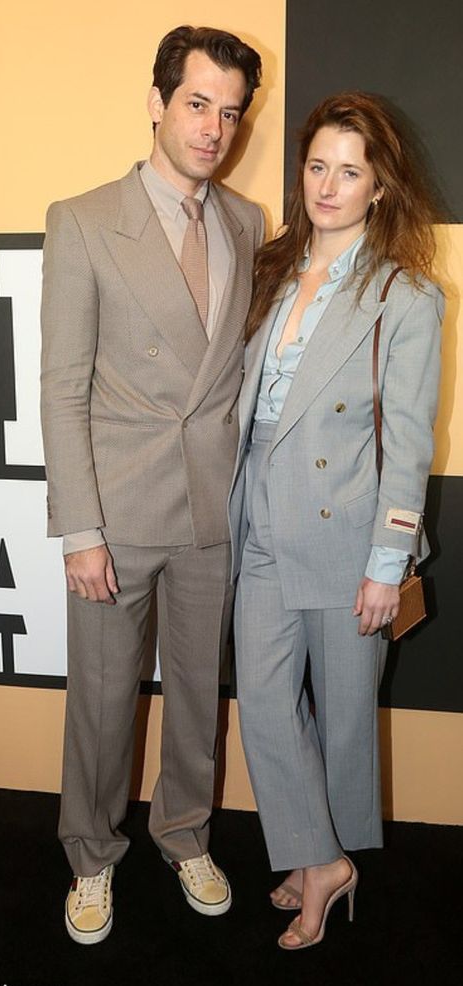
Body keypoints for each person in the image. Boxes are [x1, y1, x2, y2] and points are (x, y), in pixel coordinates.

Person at [40, 25, 263, 944]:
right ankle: (92, 856)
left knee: (199, 698)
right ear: (159, 103)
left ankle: (184, 834)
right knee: (100, 699)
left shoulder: (249, 224)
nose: (214, 128)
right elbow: (59, 385)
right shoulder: (84, 218)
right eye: (198, 104)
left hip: (211, 507)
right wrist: (80, 528)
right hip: (119, 513)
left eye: (232, 111)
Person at [228, 91, 443, 950]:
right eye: (317, 166)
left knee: (345, 716)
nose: (328, 185)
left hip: (346, 530)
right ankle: (319, 856)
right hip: (260, 520)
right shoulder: (273, 268)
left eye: (349, 171)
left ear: (379, 188)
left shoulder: (406, 297)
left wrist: (387, 563)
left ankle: (324, 862)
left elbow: (411, 441)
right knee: (268, 705)